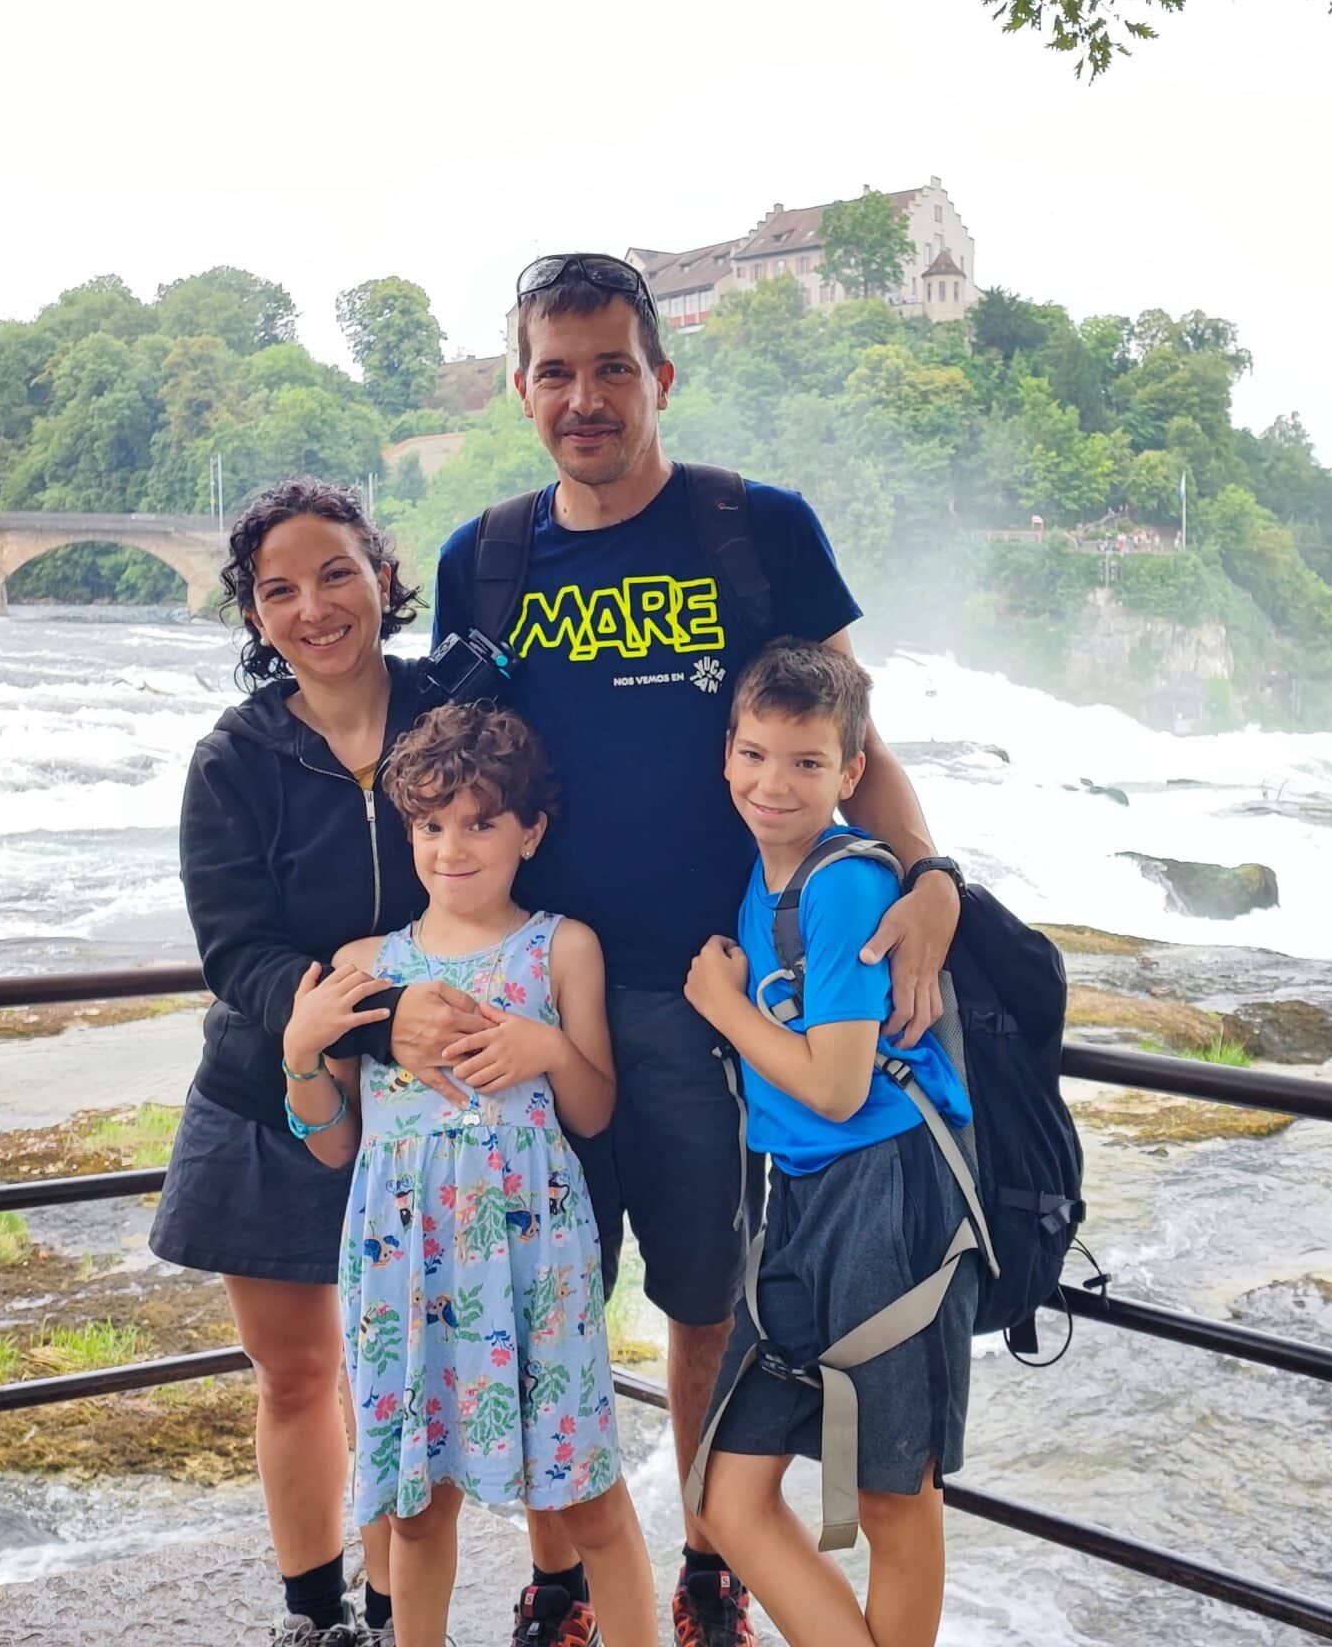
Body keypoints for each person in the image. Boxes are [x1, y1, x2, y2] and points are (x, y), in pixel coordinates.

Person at [389, 253, 963, 1647]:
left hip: (721, 1003)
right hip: (542, 996)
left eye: (611, 368)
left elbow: (851, 740)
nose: (584, 398)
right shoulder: (492, 556)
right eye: (555, 371)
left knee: (708, 1293)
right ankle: (566, 1575)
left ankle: (711, 1554)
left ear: (662, 376)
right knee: (547, 1293)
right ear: (523, 386)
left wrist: (934, 878)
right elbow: (450, 773)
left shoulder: (756, 531)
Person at [158, 476, 491, 1646]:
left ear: (384, 578)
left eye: (335, 573)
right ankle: (315, 1616)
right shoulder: (234, 760)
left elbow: (521, 865)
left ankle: (406, 1613)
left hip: (444, 1105)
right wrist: (370, 1021)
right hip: (269, 1094)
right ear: (253, 616)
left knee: (419, 1378)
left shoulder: (459, 719)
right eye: (279, 589)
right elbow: (236, 951)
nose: (313, 607)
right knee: (298, 1374)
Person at [284, 703, 656, 1647]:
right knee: (416, 1508)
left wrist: (549, 1049)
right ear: (408, 829)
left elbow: (597, 1112)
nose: (455, 846)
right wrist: (299, 1050)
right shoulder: (369, 969)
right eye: (432, 823)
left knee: (587, 1492)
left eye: (482, 822)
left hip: (538, 1262)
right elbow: (334, 1141)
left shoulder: (563, 947)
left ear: (530, 831)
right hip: (406, 1264)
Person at [680, 640, 976, 1647]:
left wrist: (721, 1004)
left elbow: (839, 1086)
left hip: (888, 1193)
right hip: (803, 1196)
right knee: (728, 1495)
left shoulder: (844, 884)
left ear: (851, 775)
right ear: (727, 755)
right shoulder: (765, 879)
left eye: (806, 764)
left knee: (894, 1491)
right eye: (756, 755)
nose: (774, 783)